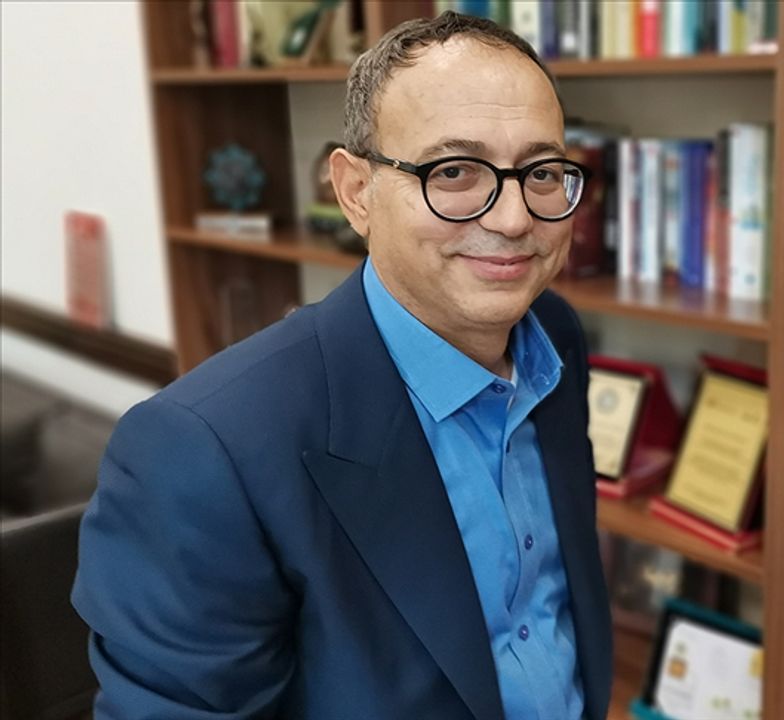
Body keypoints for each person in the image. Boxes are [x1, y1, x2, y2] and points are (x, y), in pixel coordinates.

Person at [71, 12, 611, 719]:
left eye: (541, 172)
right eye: (453, 171)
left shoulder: (553, 336)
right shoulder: (202, 451)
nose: (513, 218)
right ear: (356, 192)